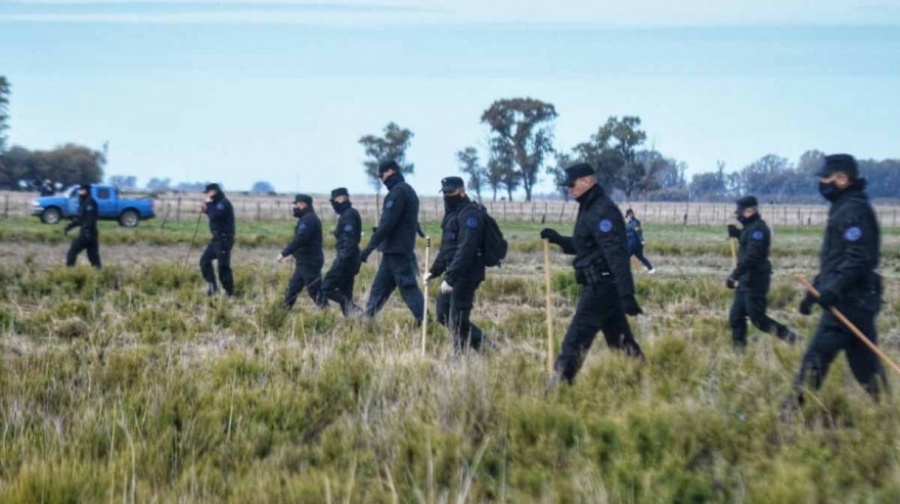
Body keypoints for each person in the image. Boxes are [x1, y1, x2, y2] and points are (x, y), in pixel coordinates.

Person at [789, 154, 887, 404]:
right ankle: (888, 411)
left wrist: (832, 290)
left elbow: (857, 258)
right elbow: (836, 260)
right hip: (855, 299)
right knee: (864, 364)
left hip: (851, 301)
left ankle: (788, 416)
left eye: (826, 178)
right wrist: (816, 290)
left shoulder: (853, 209)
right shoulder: (844, 207)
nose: (822, 183)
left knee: (815, 360)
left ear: (843, 178)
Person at [540, 163, 644, 386]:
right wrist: (560, 240)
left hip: (601, 287)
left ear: (587, 181)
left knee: (575, 342)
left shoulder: (601, 210)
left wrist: (627, 294)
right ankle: (645, 383)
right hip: (602, 285)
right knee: (621, 342)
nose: (569, 189)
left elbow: (616, 253)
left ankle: (556, 392)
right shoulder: (588, 207)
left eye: (572, 184)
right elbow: (586, 246)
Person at [725, 196, 799, 349]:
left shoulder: (759, 229)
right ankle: (739, 352)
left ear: (751, 210)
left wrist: (734, 275)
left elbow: (752, 256)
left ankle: (792, 338)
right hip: (745, 280)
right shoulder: (750, 228)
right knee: (736, 317)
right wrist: (737, 234)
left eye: (741, 212)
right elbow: (747, 240)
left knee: (758, 320)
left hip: (756, 280)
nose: (738, 215)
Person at [425, 176, 486, 352]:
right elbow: (447, 249)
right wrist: (433, 272)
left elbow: (466, 249)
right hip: (454, 272)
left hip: (467, 273)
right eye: (444, 192)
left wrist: (450, 278)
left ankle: (460, 358)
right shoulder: (451, 215)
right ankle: (485, 349)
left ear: (462, 191)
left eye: (450, 192)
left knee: (457, 318)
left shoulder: (470, 214)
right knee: (443, 314)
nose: (447, 195)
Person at [360, 160, 425, 324]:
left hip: (398, 250)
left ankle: (425, 322)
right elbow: (410, 219)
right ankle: (367, 318)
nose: (381, 179)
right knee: (379, 287)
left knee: (408, 287)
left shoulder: (397, 193)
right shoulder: (410, 191)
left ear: (390, 171)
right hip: (393, 251)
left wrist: (368, 249)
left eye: (382, 175)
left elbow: (387, 224)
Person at [277, 194, 327, 309]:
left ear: (303, 205)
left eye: (297, 205)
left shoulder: (308, 220)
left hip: (309, 261)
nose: (295, 207)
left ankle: (327, 311)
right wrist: (293, 254)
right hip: (304, 260)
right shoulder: (308, 218)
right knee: (293, 287)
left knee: (314, 290)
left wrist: (284, 253)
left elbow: (300, 239)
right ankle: (284, 310)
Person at [320, 188, 362, 316]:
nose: (333, 204)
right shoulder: (349, 214)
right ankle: (354, 322)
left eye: (334, 201)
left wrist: (342, 259)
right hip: (352, 259)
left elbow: (348, 239)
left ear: (341, 198)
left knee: (326, 287)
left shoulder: (349, 215)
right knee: (345, 292)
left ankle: (356, 310)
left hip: (346, 260)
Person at [199, 183, 235, 297]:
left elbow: (215, 215)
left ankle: (229, 292)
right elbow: (213, 213)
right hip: (216, 239)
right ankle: (212, 287)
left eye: (208, 193)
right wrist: (206, 210)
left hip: (224, 240)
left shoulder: (223, 203)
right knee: (204, 261)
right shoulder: (216, 203)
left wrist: (208, 205)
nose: (206, 195)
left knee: (223, 267)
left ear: (214, 191)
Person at [63, 183, 101, 268]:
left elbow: (90, 219)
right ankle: (99, 272)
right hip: (88, 233)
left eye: (82, 190)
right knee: (93, 257)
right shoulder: (83, 202)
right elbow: (80, 219)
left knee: (72, 251)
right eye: (79, 190)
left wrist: (87, 230)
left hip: (88, 233)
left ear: (86, 191)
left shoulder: (90, 203)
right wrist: (69, 227)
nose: (80, 192)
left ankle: (69, 271)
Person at [624, 208, 655, 274]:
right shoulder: (631, 223)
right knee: (641, 257)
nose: (627, 217)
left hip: (633, 243)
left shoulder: (634, 223)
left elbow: (638, 232)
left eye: (627, 216)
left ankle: (626, 272)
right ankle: (651, 269)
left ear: (628, 215)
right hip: (637, 244)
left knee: (626, 256)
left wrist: (641, 240)